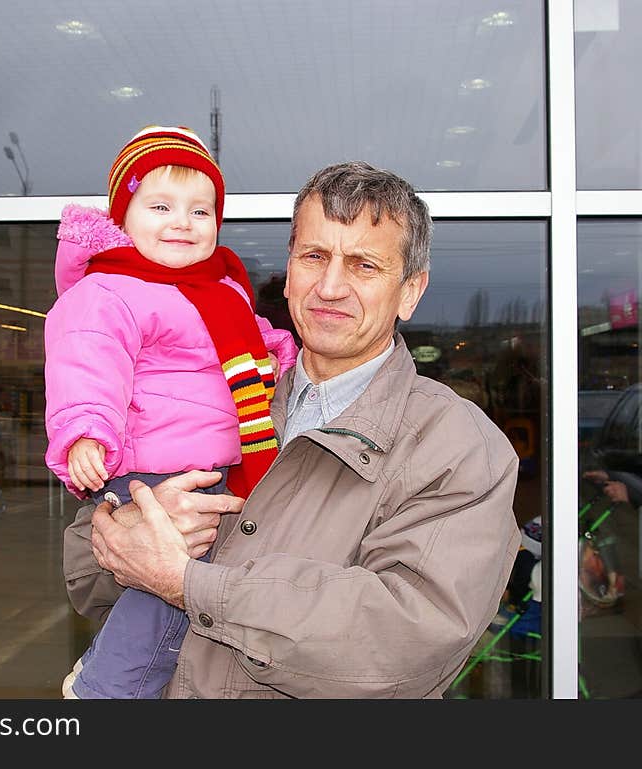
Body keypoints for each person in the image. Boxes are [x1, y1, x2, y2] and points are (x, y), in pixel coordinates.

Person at [63, 160, 523, 698]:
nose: (330, 286)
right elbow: (82, 577)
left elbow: (404, 639)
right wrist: (143, 520)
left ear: (410, 291)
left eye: (364, 266)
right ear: (289, 270)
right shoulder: (212, 394)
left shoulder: (460, 447)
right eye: (314, 256)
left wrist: (188, 583)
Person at [44, 125, 298, 698]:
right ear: (123, 218)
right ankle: (107, 687)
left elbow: (238, 343)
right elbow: (86, 358)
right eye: (160, 206)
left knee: (178, 590)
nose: (182, 222)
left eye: (200, 211)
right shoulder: (110, 290)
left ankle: (117, 679)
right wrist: (86, 432)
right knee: (169, 589)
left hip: (202, 466)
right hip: (151, 468)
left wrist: (278, 352)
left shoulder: (217, 288)